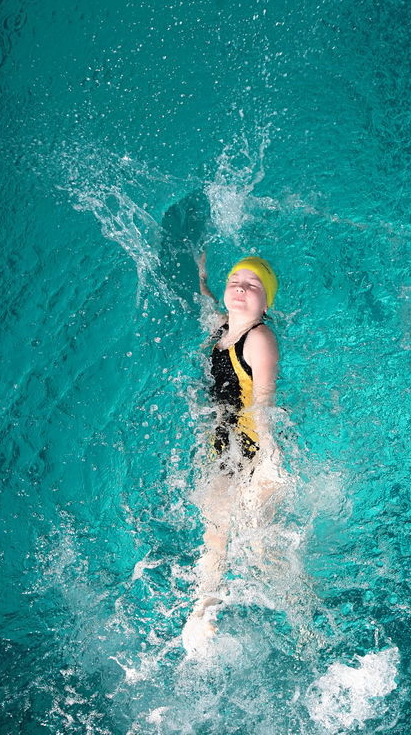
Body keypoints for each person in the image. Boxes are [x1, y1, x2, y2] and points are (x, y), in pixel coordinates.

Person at [182, 253, 286, 654]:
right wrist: (201, 273)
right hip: (223, 448)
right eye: (235, 281)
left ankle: (302, 609)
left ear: (266, 303)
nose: (241, 288)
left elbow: (264, 402)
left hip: (252, 450)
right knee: (215, 528)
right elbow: (208, 300)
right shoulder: (223, 328)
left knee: (260, 546)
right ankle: (203, 608)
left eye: (253, 285)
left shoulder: (259, 339)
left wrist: (270, 460)